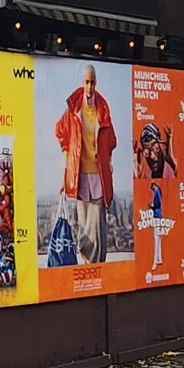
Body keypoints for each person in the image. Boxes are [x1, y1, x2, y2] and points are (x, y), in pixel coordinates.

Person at [55, 66, 118, 264]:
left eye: (93, 82)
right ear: (82, 82)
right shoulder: (73, 110)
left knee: (98, 226)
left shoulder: (103, 111)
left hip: (98, 176)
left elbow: (111, 142)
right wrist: (65, 175)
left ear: (96, 82)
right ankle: (87, 265)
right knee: (84, 226)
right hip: (80, 176)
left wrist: (108, 166)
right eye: (86, 82)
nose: (90, 86)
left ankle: (98, 267)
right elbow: (63, 138)